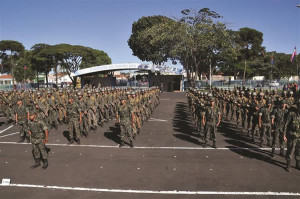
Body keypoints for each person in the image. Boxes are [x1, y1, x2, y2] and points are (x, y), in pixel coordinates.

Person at [284, 101, 300, 172]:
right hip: (291, 135)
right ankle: (288, 164)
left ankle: (298, 164)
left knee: (298, 151)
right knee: (290, 150)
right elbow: (286, 124)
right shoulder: (291, 114)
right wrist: (284, 135)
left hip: (299, 136)